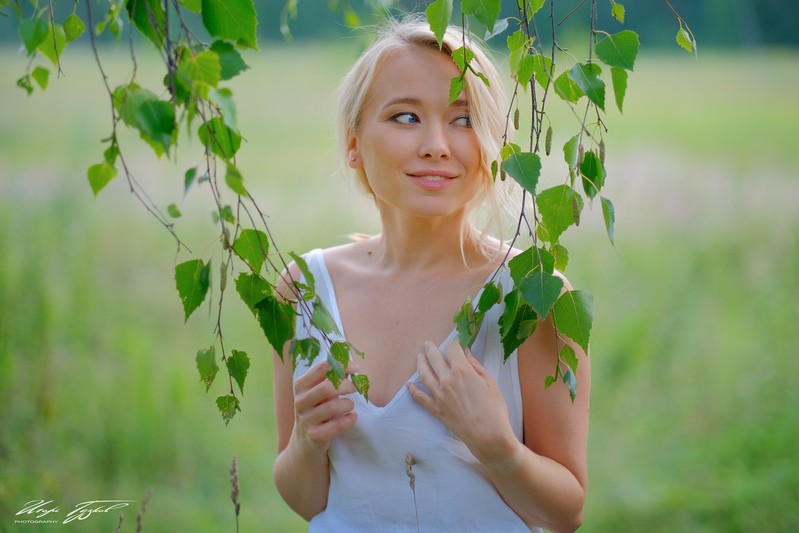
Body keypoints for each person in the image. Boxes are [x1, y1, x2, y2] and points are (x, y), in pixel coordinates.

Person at [272, 16, 590, 533]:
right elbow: (308, 501)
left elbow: (565, 512)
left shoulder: (531, 295)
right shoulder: (304, 289)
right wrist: (307, 443)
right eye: (404, 117)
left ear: (491, 149)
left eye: (464, 120)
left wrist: (499, 447)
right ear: (354, 143)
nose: (437, 145)